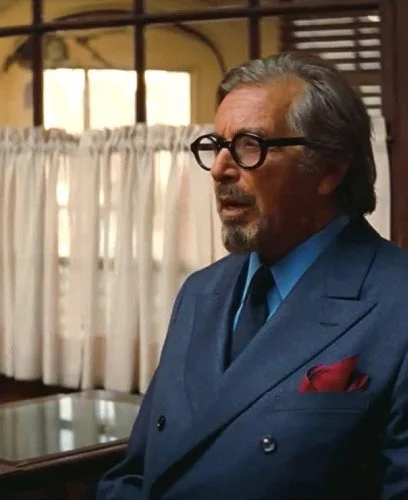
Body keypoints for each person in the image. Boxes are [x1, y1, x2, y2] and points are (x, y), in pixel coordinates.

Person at [96, 52, 408, 500]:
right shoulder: (200, 292)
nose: (220, 169)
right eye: (216, 146)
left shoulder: (396, 303)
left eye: (249, 145)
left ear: (329, 170)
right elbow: (136, 472)